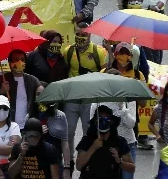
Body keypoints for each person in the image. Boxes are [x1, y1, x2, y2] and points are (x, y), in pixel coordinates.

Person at [62, 25, 108, 163]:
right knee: (68, 132)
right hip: (72, 98)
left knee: (88, 131)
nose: (80, 37)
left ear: (90, 36)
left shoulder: (99, 52)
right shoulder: (68, 51)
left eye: (84, 35)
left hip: (90, 99)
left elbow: (105, 73)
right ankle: (69, 161)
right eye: (78, 34)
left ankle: (89, 160)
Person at [76, 104, 134, 179]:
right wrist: (93, 148)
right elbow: (78, 166)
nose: (103, 122)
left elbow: (132, 168)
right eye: (100, 119)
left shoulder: (119, 141)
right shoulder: (87, 140)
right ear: (95, 122)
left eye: (106, 119)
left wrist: (119, 161)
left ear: (111, 122)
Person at [0, 50, 40, 131]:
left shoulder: (32, 80)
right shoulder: (1, 79)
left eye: (22, 59)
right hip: (7, 126)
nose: (20, 62)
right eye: (16, 60)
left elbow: (40, 96)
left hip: (26, 127)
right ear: (10, 63)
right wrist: (1, 92)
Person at [34, 83, 70, 176]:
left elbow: (65, 142)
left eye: (44, 93)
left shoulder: (60, 116)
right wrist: (37, 132)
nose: (41, 97)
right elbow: (25, 141)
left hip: (56, 163)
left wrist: (67, 167)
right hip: (35, 164)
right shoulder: (30, 115)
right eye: (38, 94)